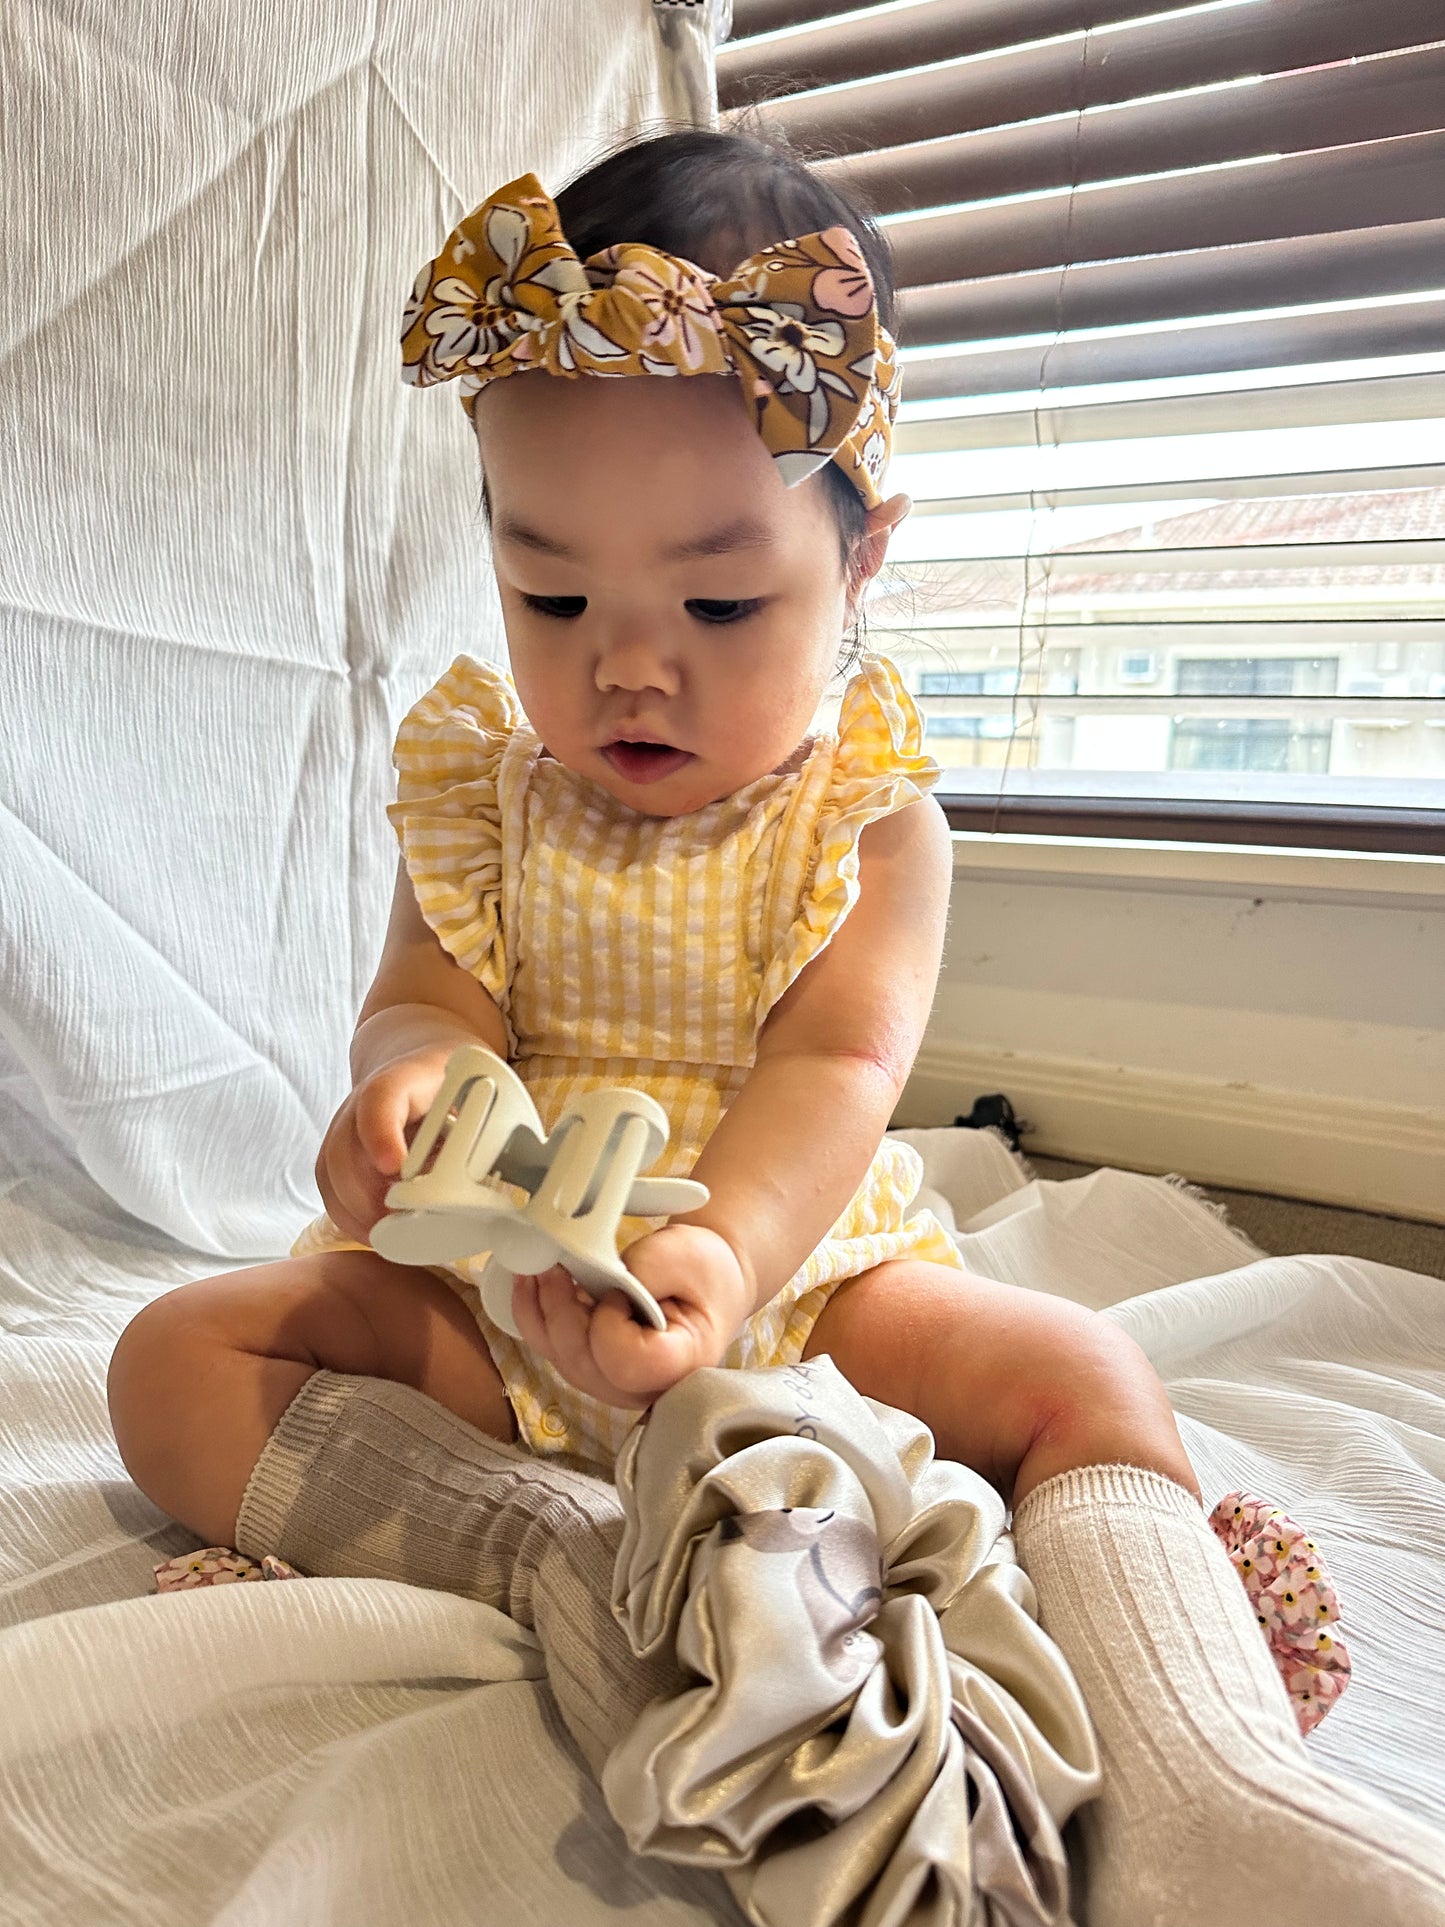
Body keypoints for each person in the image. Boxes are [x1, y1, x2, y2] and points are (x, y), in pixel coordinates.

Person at [109, 131, 1444, 1926]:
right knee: (176, 1361)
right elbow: (422, 1001)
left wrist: (726, 1260)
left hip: (797, 1282)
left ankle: (1209, 1772)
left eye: (720, 603)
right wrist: (400, 1091)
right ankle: (570, 1565)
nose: (624, 666)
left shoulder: (863, 816)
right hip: (500, 1305)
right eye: (551, 594)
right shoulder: (479, 795)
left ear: (860, 549)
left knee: (1089, 1378)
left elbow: (838, 1067)